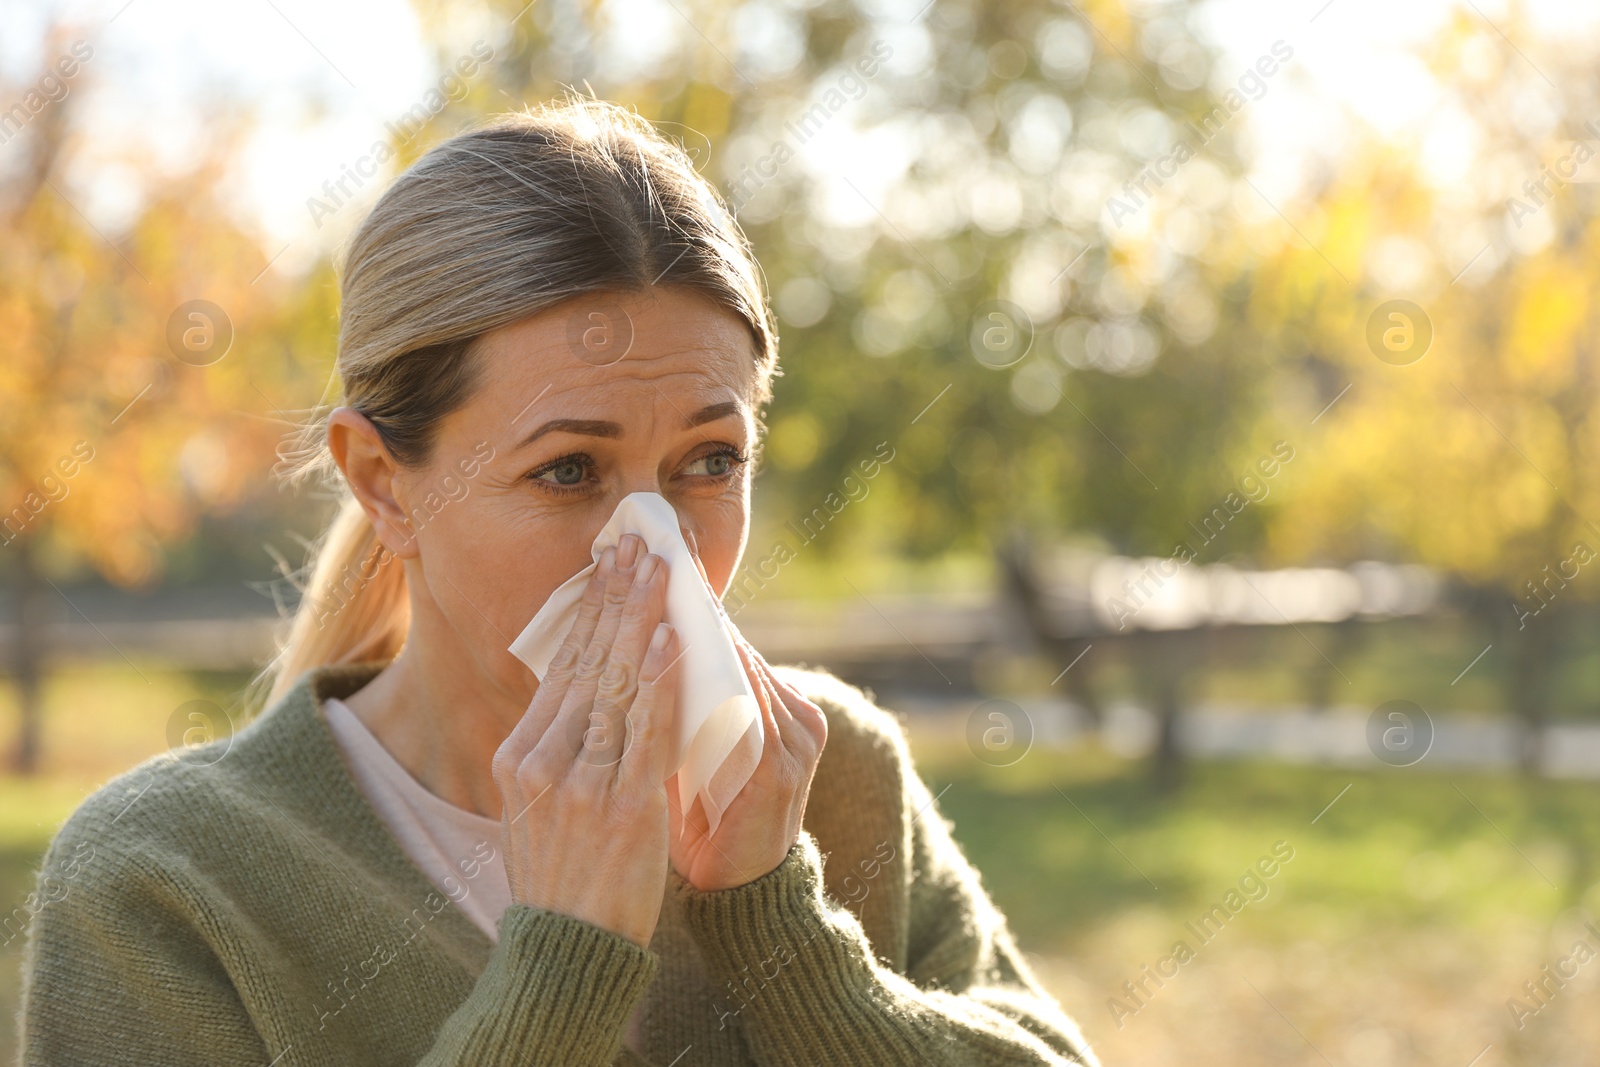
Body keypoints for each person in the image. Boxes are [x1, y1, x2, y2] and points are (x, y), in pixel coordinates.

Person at [18, 98, 1098, 1067]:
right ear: (385, 484)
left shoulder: (831, 777)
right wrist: (559, 970)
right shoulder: (165, 882)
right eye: (569, 471)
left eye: (710, 461)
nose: (654, 549)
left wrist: (780, 932)